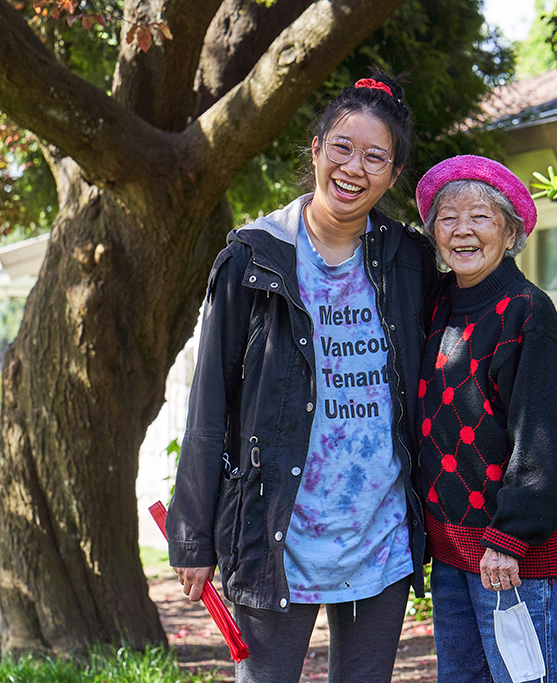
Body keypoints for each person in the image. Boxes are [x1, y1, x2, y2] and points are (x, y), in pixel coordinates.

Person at [165, 72, 436, 683]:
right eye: (341, 146)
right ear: (315, 149)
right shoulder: (251, 259)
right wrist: (193, 535)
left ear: (392, 177)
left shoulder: (409, 261)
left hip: (380, 535)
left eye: (375, 156)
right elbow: (209, 405)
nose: (353, 167)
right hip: (273, 530)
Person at [414, 155, 557, 683]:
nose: (462, 230)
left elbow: (543, 443)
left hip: (511, 555)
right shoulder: (438, 304)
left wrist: (509, 540)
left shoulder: (529, 312)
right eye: (447, 217)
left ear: (509, 233)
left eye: (480, 217)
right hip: (454, 549)